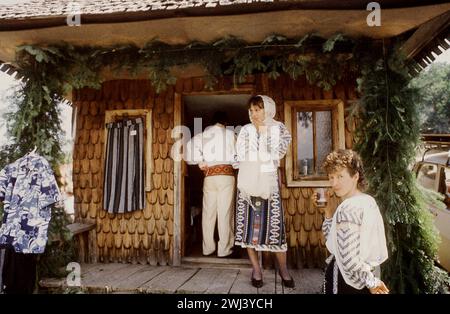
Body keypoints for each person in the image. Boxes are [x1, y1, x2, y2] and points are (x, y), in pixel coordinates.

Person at [234, 95, 294, 288]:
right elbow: (238, 156)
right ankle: (256, 270)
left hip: (268, 184)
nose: (254, 114)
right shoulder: (245, 130)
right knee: (250, 228)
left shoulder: (278, 129)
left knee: (274, 228)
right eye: (251, 111)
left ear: (267, 109)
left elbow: (278, 153)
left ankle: (283, 270)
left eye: (257, 110)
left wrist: (264, 136)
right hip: (248, 183)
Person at [315, 149, 389, 294]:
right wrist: (328, 211)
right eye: (331, 177)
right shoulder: (367, 201)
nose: (334, 183)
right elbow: (334, 240)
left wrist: (371, 282)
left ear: (355, 176)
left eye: (340, 176)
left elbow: (349, 258)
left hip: (345, 280)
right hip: (364, 274)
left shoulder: (349, 208)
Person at [185, 111, 237, 258]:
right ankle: (224, 250)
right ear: (225, 123)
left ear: (213, 123)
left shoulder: (204, 135)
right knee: (225, 213)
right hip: (226, 176)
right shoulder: (231, 135)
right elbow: (238, 157)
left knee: (208, 213)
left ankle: (208, 248)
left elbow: (189, 147)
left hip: (209, 176)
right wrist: (235, 163)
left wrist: (200, 161)